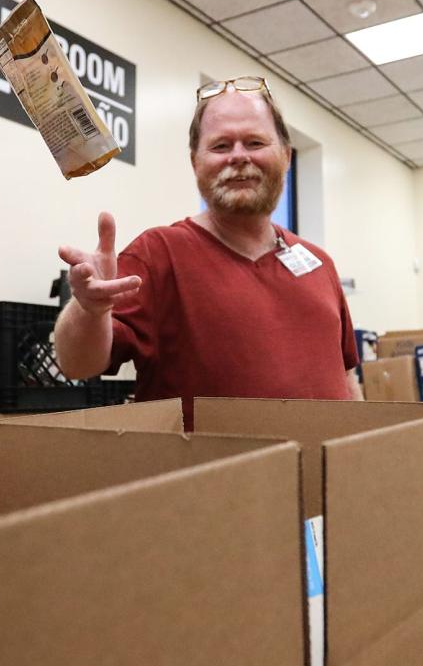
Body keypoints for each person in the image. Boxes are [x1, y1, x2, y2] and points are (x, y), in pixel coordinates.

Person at [54, 76, 361, 429]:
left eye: (255, 142)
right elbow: (77, 364)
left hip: (320, 479)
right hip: (212, 483)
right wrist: (90, 310)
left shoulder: (319, 264)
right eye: (220, 146)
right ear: (195, 163)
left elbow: (347, 379)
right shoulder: (157, 254)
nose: (239, 157)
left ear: (285, 156)